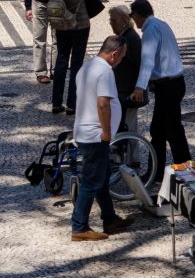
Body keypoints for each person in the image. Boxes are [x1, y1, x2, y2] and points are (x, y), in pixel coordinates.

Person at [69, 35, 133, 241]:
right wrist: (106, 131)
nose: (121, 61)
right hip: (95, 135)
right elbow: (103, 103)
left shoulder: (86, 68)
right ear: (114, 54)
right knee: (91, 181)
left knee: (102, 178)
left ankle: (110, 217)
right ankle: (79, 227)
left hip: (84, 131)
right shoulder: (104, 71)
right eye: (121, 57)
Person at [130, 0, 191, 180]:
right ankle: (159, 171)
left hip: (168, 85)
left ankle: (182, 169)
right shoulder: (161, 24)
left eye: (133, 16)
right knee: (160, 130)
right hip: (173, 83)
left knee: (170, 130)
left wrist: (140, 86)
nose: (134, 21)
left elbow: (148, 61)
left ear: (138, 15)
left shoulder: (150, 30)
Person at [46, 0, 93, 115]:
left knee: (61, 60)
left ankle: (56, 102)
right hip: (80, 26)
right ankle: (72, 104)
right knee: (76, 64)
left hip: (62, 26)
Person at [108, 6, 143, 133]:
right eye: (110, 20)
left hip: (128, 91)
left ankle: (132, 153)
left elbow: (139, 65)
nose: (111, 24)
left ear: (124, 21)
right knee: (128, 125)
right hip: (124, 90)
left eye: (114, 21)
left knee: (129, 126)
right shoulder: (126, 36)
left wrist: (138, 88)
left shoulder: (129, 39)